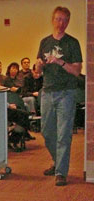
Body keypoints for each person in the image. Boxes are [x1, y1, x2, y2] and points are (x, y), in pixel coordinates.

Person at [36, 6, 82, 186]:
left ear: (68, 22)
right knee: (47, 132)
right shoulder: (44, 42)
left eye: (64, 20)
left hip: (66, 93)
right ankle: (57, 162)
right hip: (47, 91)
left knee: (63, 134)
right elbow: (37, 72)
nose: (61, 23)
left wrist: (60, 62)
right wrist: (38, 66)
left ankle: (61, 172)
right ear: (53, 20)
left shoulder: (72, 43)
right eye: (58, 19)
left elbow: (77, 71)